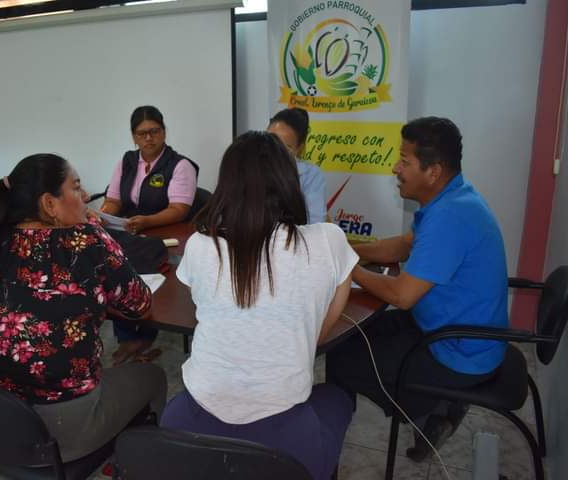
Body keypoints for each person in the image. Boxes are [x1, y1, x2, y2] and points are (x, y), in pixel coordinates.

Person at [160, 131, 358, 479]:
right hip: (286, 445)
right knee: (339, 399)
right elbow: (321, 327)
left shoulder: (201, 246)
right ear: (288, 181)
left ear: (227, 186)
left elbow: (204, 309)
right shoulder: (329, 241)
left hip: (190, 424)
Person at [324, 117, 509, 461]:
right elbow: (402, 246)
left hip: (457, 350)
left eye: (404, 161)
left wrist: (347, 267)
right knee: (349, 335)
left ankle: (430, 412)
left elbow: (403, 296)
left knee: (342, 358)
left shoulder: (450, 217)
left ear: (433, 171)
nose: (395, 168)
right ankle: (433, 409)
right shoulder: (453, 198)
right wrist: (345, 247)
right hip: (444, 328)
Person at [0, 153, 166, 463]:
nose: (85, 197)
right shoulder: (85, 240)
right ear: (49, 204)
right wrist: (95, 231)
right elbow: (139, 304)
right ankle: (138, 463)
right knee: (153, 376)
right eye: (76, 187)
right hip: (59, 430)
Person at [102, 105, 198, 364]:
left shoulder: (180, 165)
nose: (148, 138)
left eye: (154, 131)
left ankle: (144, 336)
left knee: (149, 278)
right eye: (141, 133)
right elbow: (113, 200)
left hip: (166, 238)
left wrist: (147, 222)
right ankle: (127, 338)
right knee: (116, 272)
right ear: (133, 136)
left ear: (164, 132)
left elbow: (179, 209)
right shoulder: (127, 162)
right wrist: (104, 214)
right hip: (131, 234)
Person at [268, 107, 329, 224]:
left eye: (285, 147)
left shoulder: (310, 174)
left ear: (299, 148)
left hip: (294, 234)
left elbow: (315, 222)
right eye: (270, 141)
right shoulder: (249, 164)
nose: (274, 150)